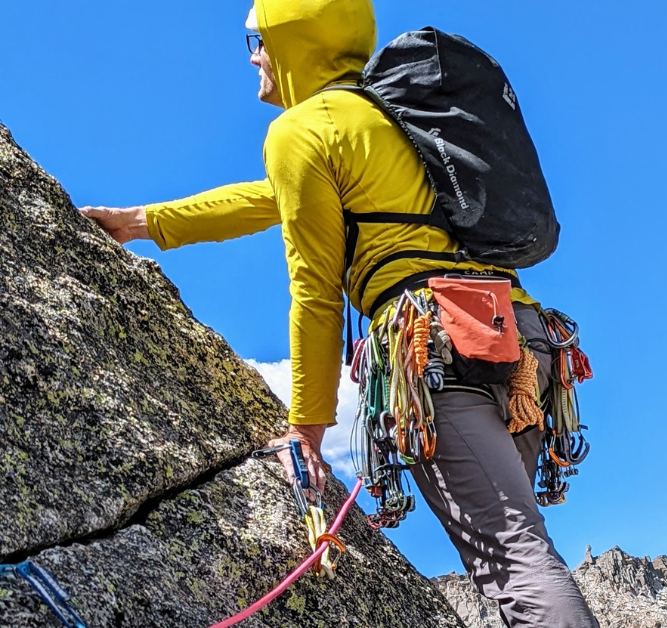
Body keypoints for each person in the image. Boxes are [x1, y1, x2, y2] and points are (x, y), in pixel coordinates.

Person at [80, 1, 598, 626]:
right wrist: (140, 223)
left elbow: (316, 292)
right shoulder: (395, 118)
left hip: (433, 341)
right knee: (516, 543)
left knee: (512, 557)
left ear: (296, 40)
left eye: (258, 39)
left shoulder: (304, 130)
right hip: (520, 337)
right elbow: (269, 198)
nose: (252, 57)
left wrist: (307, 432)